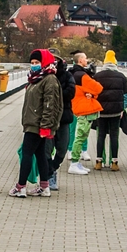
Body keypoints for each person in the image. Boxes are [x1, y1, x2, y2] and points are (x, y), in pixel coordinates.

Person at [10, 49, 63, 197]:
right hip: (34, 123)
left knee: (27, 153)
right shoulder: (36, 78)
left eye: (37, 62)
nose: (34, 65)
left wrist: (46, 126)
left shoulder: (49, 79)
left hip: (37, 124)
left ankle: (20, 187)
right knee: (40, 154)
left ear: (44, 62)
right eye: (32, 63)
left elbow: (50, 104)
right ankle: (44, 186)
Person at [93, 50, 127, 172]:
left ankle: (99, 161)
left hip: (101, 111)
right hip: (116, 112)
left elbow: (93, 93)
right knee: (114, 136)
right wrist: (123, 109)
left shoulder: (97, 76)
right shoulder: (121, 76)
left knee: (101, 135)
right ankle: (114, 162)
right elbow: (125, 94)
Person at [68, 51, 101, 175]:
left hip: (76, 107)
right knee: (81, 135)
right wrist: (92, 93)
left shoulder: (71, 74)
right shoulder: (82, 75)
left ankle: (76, 161)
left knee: (78, 134)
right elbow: (98, 87)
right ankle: (74, 163)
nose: (87, 61)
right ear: (80, 60)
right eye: (85, 59)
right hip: (84, 109)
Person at [47, 52, 76, 190]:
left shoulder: (67, 75)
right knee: (47, 149)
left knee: (62, 149)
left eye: (55, 60)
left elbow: (71, 92)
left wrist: (55, 94)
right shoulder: (44, 75)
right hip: (48, 119)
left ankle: (53, 167)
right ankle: (48, 176)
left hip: (63, 118)